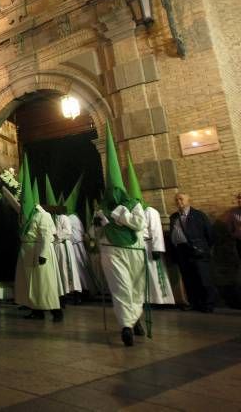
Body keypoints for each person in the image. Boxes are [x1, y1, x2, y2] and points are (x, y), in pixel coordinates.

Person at [98, 125, 148, 346]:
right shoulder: (101, 208)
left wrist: (120, 216)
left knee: (136, 287)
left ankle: (135, 318)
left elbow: (139, 224)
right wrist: (98, 224)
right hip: (111, 251)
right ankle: (126, 325)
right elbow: (95, 232)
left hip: (134, 250)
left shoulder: (133, 205)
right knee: (121, 287)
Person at [14, 157, 63, 322]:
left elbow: (46, 236)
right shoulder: (26, 214)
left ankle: (56, 310)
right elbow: (15, 205)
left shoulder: (43, 215)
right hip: (27, 252)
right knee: (31, 284)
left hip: (39, 252)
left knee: (44, 283)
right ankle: (36, 310)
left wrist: (42, 254)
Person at [126, 155, 174, 306]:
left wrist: (157, 248)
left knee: (155, 273)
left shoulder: (150, 212)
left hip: (149, 246)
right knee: (142, 274)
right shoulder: (132, 213)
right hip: (138, 246)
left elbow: (156, 231)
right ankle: (147, 299)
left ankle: (161, 300)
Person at [169, 193, 218, 313]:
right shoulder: (174, 217)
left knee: (203, 278)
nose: (178, 201)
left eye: (181, 199)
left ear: (188, 200)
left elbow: (210, 234)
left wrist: (204, 248)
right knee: (188, 279)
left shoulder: (198, 215)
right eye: (176, 199)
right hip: (181, 251)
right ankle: (194, 303)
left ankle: (208, 304)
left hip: (198, 250)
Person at [46, 176, 81, 302]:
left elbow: (68, 231)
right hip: (56, 247)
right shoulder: (51, 219)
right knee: (60, 271)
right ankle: (63, 294)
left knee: (68, 269)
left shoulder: (63, 218)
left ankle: (75, 294)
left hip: (64, 246)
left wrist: (56, 234)